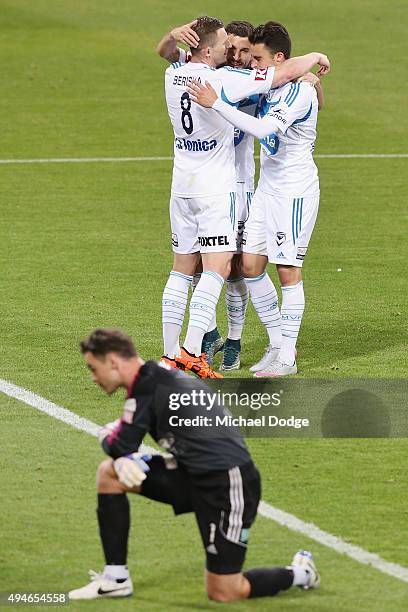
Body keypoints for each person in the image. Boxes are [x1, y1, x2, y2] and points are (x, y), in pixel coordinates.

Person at [69, 328, 320, 602]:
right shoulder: (153, 380)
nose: (93, 377)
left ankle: (300, 573)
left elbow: (121, 444)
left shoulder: (149, 387)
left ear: (113, 362)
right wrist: (121, 450)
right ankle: (115, 578)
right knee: (110, 473)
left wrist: (108, 436)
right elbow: (125, 442)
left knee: (224, 591)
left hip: (228, 485)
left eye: (93, 368)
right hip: (192, 475)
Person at [160, 15, 330, 379]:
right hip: (245, 188)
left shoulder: (185, 76)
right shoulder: (239, 81)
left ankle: (284, 352)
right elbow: (271, 79)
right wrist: (310, 64)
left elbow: (269, 123)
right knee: (244, 268)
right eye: (234, 50)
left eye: (255, 57)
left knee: (279, 268)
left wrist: (312, 71)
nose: (243, 59)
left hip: (290, 191)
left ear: (279, 59)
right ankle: (268, 344)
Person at [158, 20, 258, 372]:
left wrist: (172, 34)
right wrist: (312, 59)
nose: (229, 51)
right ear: (207, 50)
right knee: (218, 268)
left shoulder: (175, 74)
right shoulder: (222, 79)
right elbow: (276, 77)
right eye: (224, 45)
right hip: (216, 189)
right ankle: (190, 352)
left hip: (181, 187)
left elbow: (165, 53)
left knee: (181, 271)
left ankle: (171, 355)